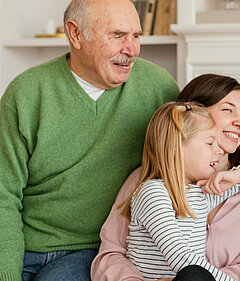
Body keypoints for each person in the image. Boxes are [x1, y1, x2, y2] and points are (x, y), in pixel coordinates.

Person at [0, 0, 179, 280]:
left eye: (136, 36)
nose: (131, 49)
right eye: (118, 35)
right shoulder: (25, 94)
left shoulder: (158, 88)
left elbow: (192, 163)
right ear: (75, 34)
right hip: (22, 243)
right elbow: (3, 194)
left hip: (91, 251)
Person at [91, 74, 240, 281]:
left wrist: (238, 175)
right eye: (228, 110)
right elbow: (112, 255)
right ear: (194, 114)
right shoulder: (147, 184)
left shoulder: (236, 187)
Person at [121, 101, 240, 281]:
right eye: (210, 143)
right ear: (177, 147)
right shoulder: (152, 193)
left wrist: (237, 176)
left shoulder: (201, 193)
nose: (219, 150)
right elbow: (181, 257)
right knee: (193, 273)